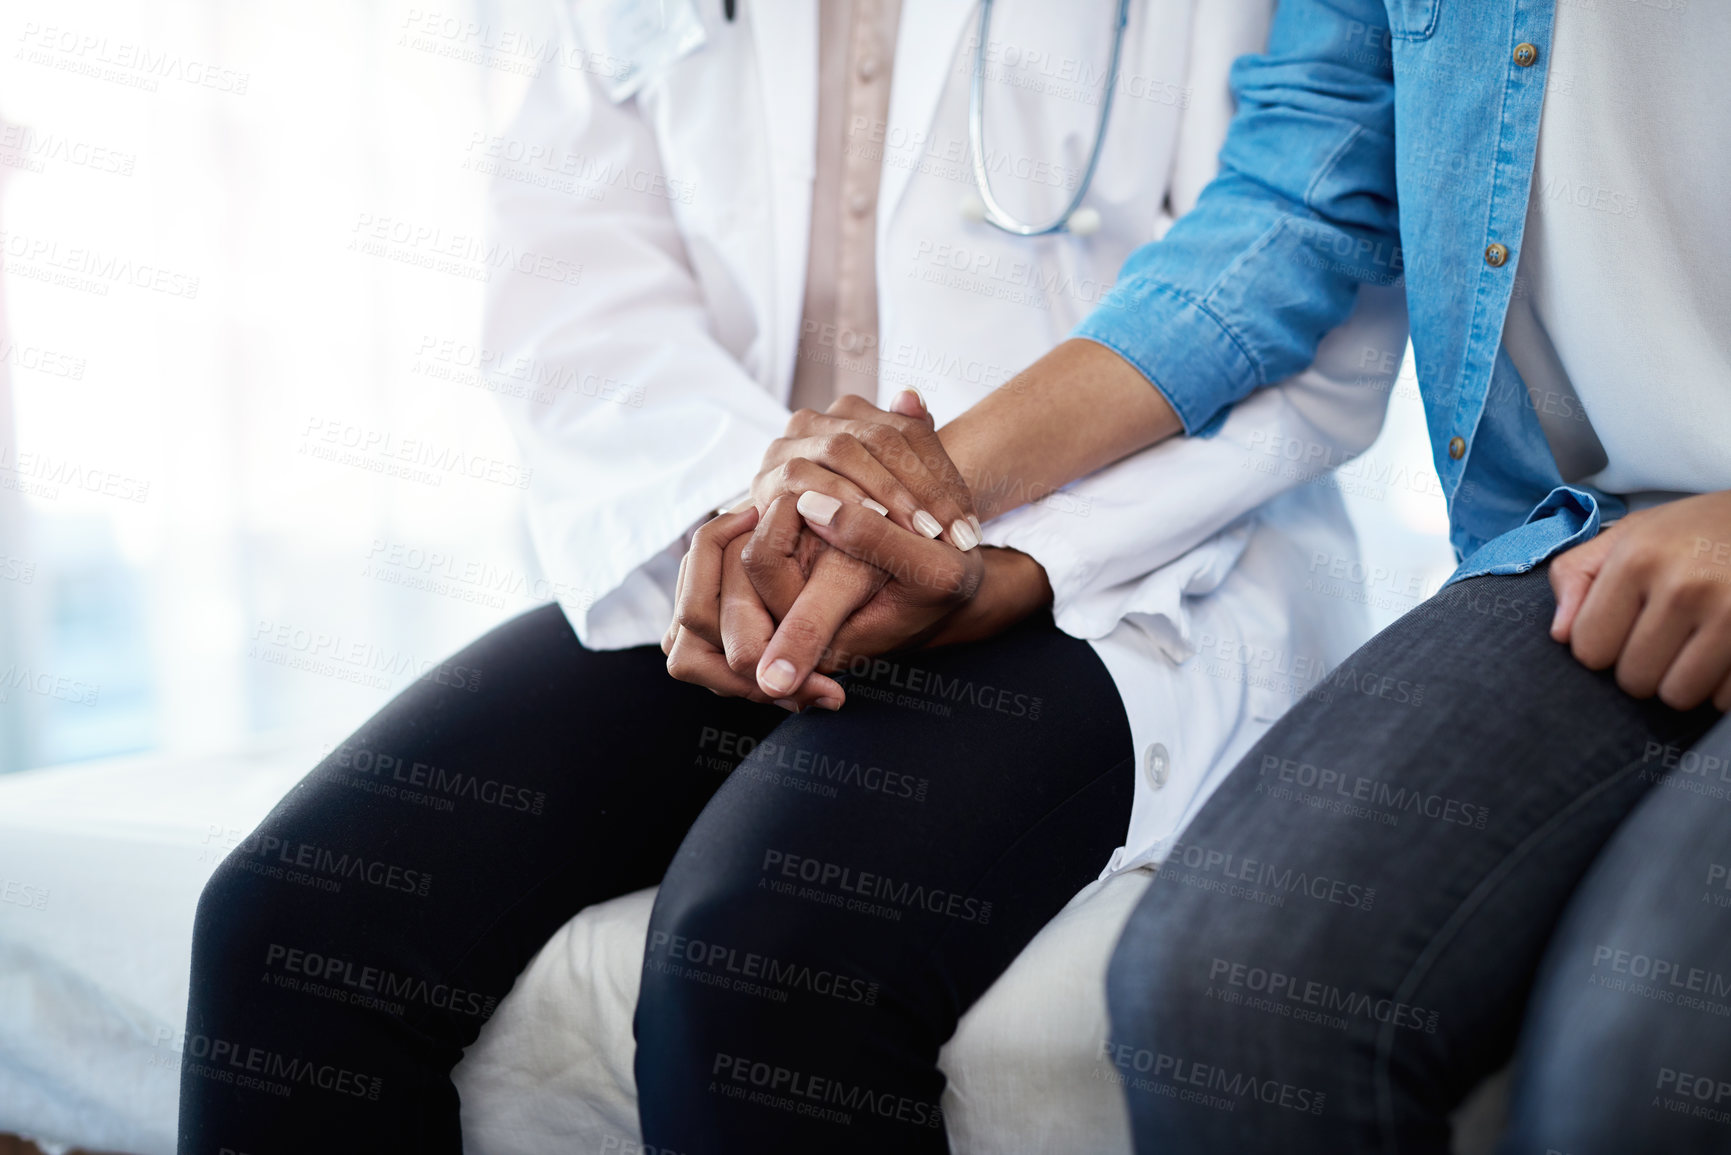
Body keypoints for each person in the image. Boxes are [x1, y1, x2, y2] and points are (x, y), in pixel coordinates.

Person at [175, 2, 1406, 1153]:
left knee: (762, 958)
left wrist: (996, 558)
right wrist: (770, 529)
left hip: (1118, 560)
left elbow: (1314, 280)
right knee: (290, 923)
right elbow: (576, 276)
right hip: (736, 532)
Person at [776, 0, 1730, 1150]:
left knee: (1640, 1066)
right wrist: (917, 497)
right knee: (1225, 997)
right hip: (1577, 536)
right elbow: (1299, 204)